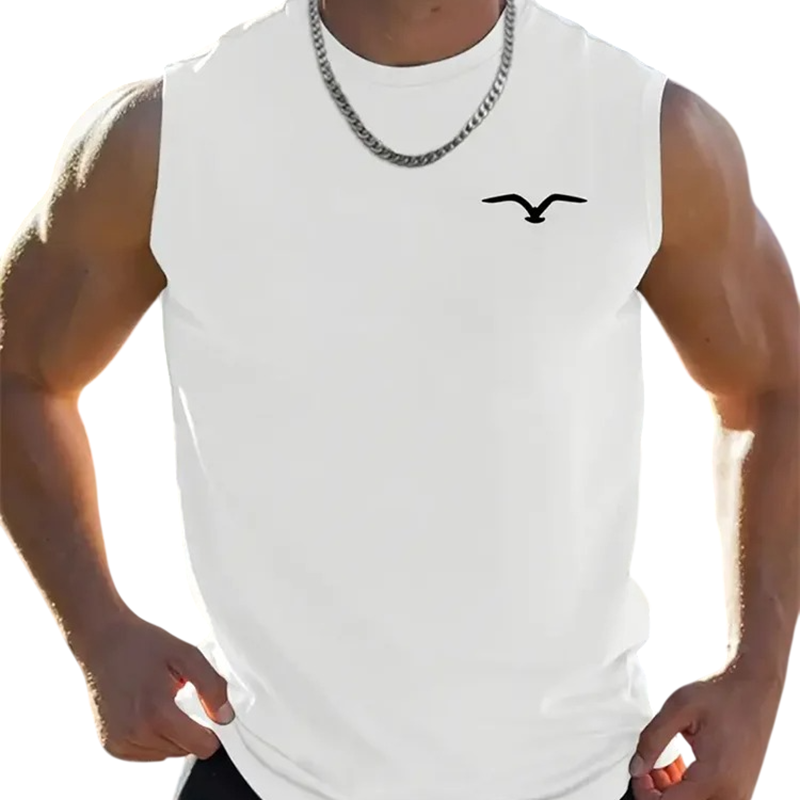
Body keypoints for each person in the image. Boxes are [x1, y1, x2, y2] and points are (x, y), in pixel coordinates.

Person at [0, 0, 797, 798]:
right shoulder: (168, 133)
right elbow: (19, 375)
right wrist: (98, 631)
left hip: (584, 776)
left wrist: (756, 681)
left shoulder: (644, 128)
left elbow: (774, 390)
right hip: (266, 773)